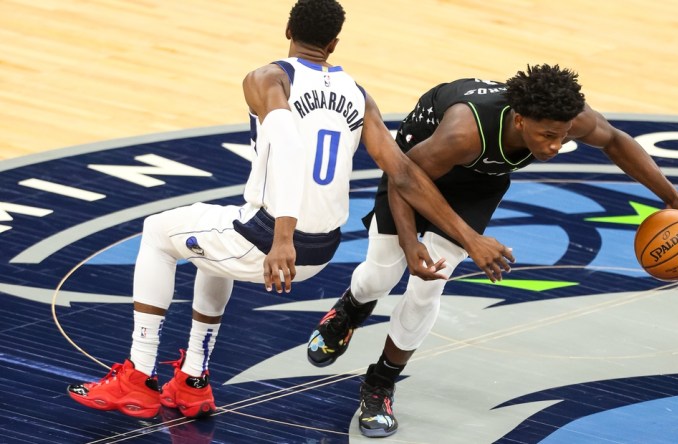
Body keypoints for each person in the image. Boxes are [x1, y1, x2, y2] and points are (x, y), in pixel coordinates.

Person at [66, 0, 512, 420]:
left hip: (273, 241)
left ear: (287, 31)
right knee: (209, 241)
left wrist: (282, 238)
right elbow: (405, 175)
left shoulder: (267, 78)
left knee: (157, 233)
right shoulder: (358, 94)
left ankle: (139, 376)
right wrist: (462, 238)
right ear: (334, 43)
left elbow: (288, 147)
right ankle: (193, 380)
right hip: (324, 249)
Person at [306, 65, 678, 437]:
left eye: (563, 135)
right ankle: (352, 308)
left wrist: (673, 198)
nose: (554, 146)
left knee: (429, 284)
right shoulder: (464, 131)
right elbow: (404, 179)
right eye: (546, 136)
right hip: (412, 169)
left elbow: (617, 142)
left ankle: (380, 383)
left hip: (477, 184)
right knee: (382, 273)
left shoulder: (567, 117)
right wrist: (416, 244)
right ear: (519, 120)